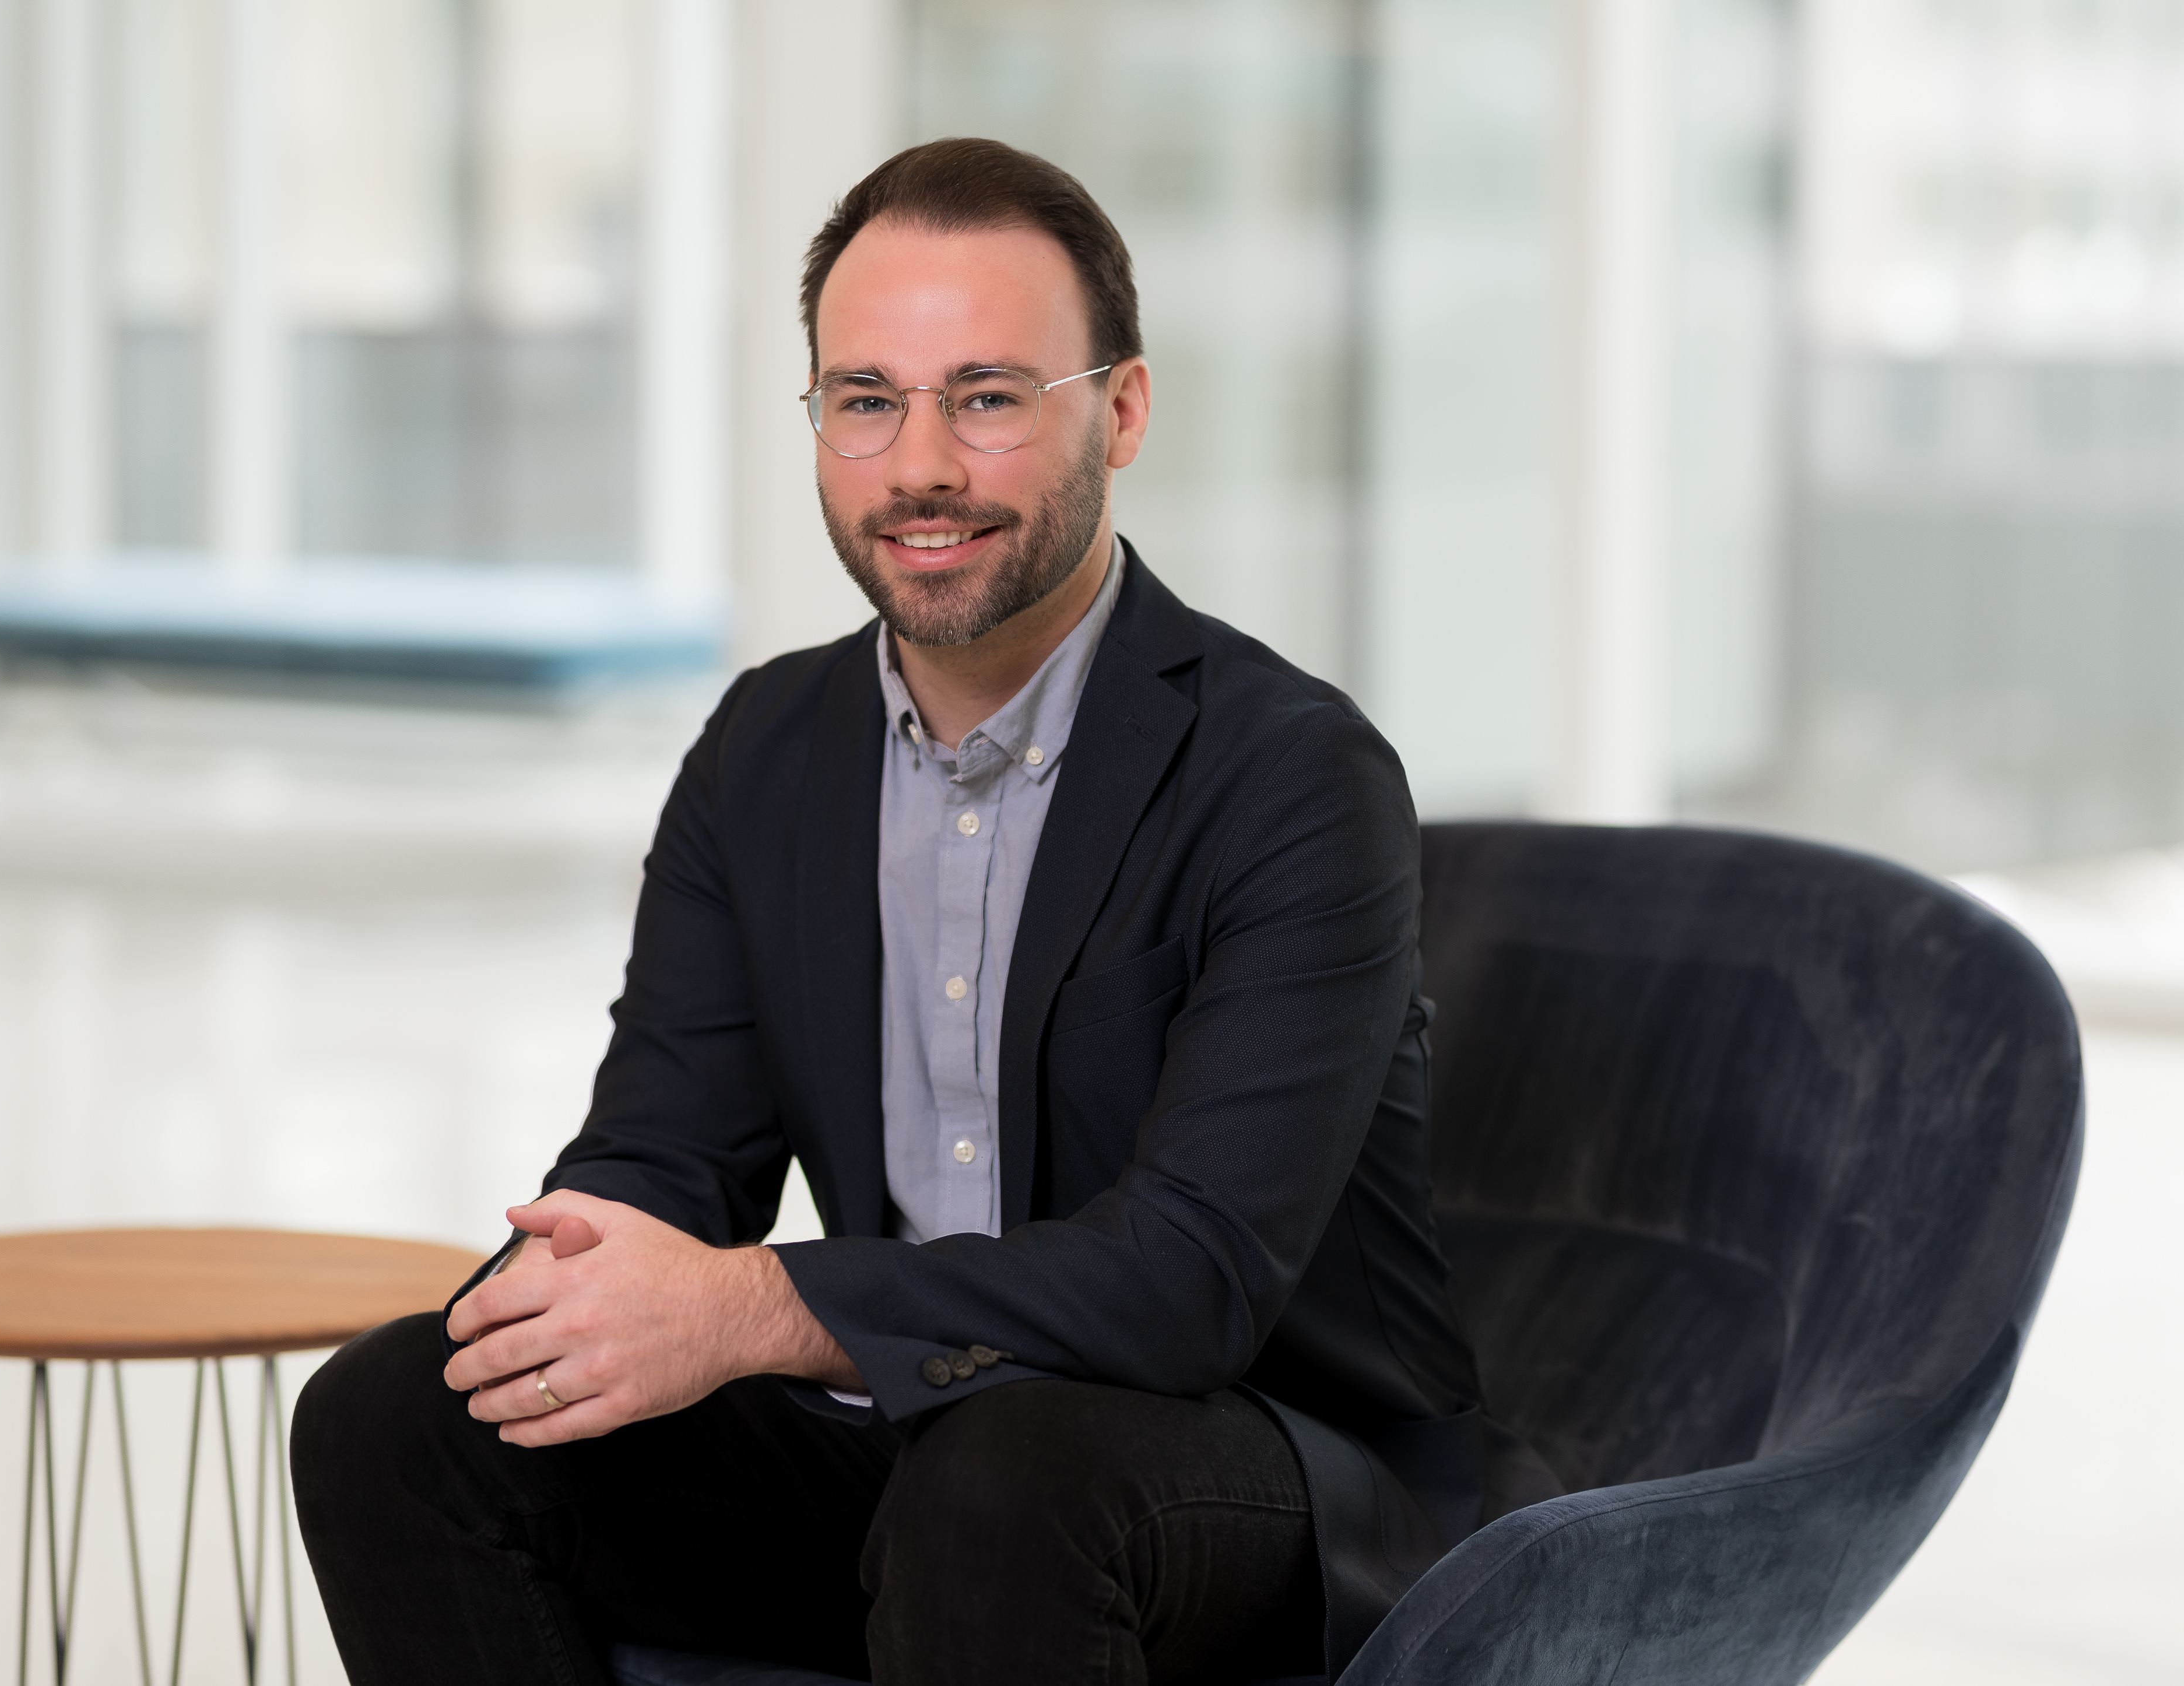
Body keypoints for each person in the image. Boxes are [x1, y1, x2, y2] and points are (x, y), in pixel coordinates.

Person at [291, 136, 1554, 1686]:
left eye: (990, 396)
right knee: (399, 1415)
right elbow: (668, 1151)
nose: (920, 466)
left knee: (1006, 1477)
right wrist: (574, 1283)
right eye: (867, 399)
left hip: (1261, 1467)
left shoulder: (1293, 773)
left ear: (1122, 411)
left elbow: (1191, 1283)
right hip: (914, 1445)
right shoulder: (766, 746)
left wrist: (756, 1305)